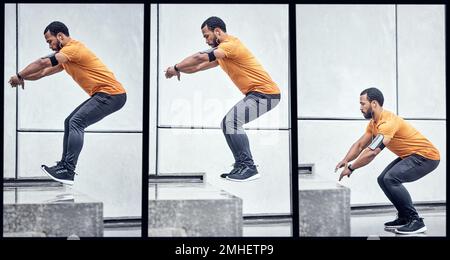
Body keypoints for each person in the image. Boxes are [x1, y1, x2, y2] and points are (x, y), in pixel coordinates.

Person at [8, 21, 127, 185]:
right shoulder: (66, 57)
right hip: (105, 94)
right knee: (69, 122)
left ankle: (68, 169)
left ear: (60, 36)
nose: (50, 46)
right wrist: (23, 78)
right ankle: (64, 167)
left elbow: (43, 62)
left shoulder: (73, 49)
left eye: (50, 41)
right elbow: (43, 72)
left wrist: (19, 74)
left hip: (112, 94)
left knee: (76, 121)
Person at [165, 16, 281, 182]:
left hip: (266, 94)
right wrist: (180, 71)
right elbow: (197, 67)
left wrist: (175, 67)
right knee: (227, 123)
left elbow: (199, 57)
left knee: (231, 122)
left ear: (217, 31)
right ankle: (242, 165)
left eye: (207, 36)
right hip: (258, 94)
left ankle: (249, 167)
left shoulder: (230, 46)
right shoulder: (223, 54)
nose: (206, 40)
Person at [335, 87, 440, 235]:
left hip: (427, 156)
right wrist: (345, 160)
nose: (360, 108)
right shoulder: (374, 123)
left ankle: (416, 221)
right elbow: (359, 145)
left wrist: (351, 168)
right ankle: (404, 217)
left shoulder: (387, 123)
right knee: (382, 179)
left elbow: (372, 152)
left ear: (374, 103)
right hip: (411, 155)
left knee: (391, 178)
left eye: (363, 104)